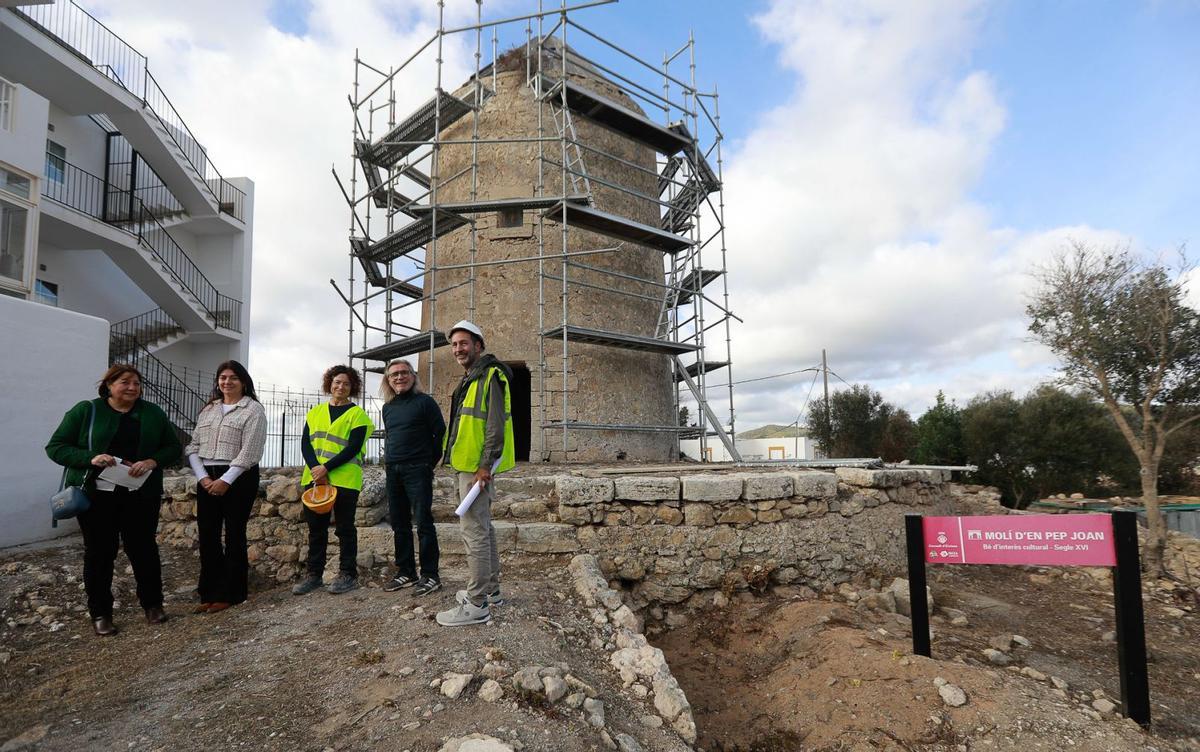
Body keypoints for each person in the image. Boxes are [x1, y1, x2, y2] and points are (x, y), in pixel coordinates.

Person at [46, 364, 181, 636]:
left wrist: (152, 461)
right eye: (125, 382)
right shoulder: (86, 411)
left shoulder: (153, 413)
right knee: (99, 555)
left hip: (140, 495)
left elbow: (173, 447)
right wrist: (90, 458)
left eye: (136, 383)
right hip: (97, 498)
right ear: (109, 385)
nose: (132, 387)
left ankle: (153, 605)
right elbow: (56, 447)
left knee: (144, 550)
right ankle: (100, 613)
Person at [435, 320, 515, 628]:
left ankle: (477, 603)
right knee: (484, 527)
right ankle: (491, 590)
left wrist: (485, 466)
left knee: (475, 532)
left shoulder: (490, 376)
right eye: (454, 344)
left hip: (475, 468)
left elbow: (495, 426)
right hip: (468, 465)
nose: (458, 349)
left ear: (478, 345)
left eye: (464, 343)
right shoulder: (473, 377)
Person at [185, 360, 267, 613]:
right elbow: (193, 446)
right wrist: (203, 478)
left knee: (234, 535)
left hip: (238, 477)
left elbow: (249, 451)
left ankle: (232, 593)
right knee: (208, 535)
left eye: (233, 377)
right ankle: (208, 592)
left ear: (243, 382)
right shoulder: (209, 410)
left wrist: (225, 481)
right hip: (207, 477)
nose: (227, 382)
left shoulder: (253, 410)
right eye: (223, 377)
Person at [293, 365, 374, 596]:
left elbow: (354, 447)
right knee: (316, 530)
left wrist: (326, 467)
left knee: (345, 529)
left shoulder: (358, 415)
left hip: (345, 479)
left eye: (346, 384)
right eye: (337, 382)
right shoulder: (315, 412)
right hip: (315, 479)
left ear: (352, 388)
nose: (340, 387)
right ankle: (313, 576)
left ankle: (348, 574)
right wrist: (316, 469)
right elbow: (306, 443)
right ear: (330, 383)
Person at [379, 358, 446, 596]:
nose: (399, 377)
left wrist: (429, 462)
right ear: (388, 380)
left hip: (418, 469)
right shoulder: (388, 407)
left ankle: (430, 575)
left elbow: (440, 433)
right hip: (393, 469)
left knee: (423, 522)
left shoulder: (424, 402)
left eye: (404, 373)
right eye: (394, 374)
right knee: (399, 523)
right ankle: (406, 571)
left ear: (413, 376)